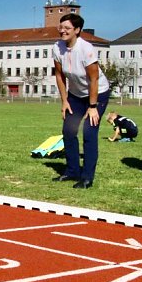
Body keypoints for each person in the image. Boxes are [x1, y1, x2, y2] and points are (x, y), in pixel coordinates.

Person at [52, 13, 111, 189]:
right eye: (61, 28)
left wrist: (92, 107)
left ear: (77, 30)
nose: (63, 31)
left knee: (89, 132)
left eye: (67, 28)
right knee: (69, 131)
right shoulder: (57, 47)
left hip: (97, 93)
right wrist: (64, 101)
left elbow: (93, 79)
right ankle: (72, 171)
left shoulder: (86, 49)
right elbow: (59, 75)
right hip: (75, 95)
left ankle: (87, 178)